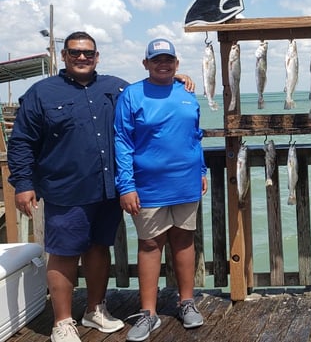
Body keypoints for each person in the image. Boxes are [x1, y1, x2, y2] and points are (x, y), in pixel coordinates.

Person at [6, 31, 194, 342]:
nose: (82, 57)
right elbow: (22, 142)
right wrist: (24, 183)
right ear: (64, 56)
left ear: (97, 57)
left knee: (98, 249)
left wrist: (177, 79)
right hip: (65, 189)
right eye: (75, 52)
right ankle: (62, 322)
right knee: (63, 253)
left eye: (88, 53)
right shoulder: (42, 93)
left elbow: (149, 90)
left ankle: (94, 310)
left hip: (107, 190)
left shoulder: (116, 87)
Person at [114, 38, 208, 342]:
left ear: (177, 64)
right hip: (147, 186)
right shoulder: (132, 95)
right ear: (145, 64)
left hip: (186, 182)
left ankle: (187, 302)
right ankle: (149, 313)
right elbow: (122, 142)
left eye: (169, 60)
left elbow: (195, 135)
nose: (163, 64)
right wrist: (126, 185)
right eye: (156, 60)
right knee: (150, 245)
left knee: (184, 241)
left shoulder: (187, 92)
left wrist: (203, 170)